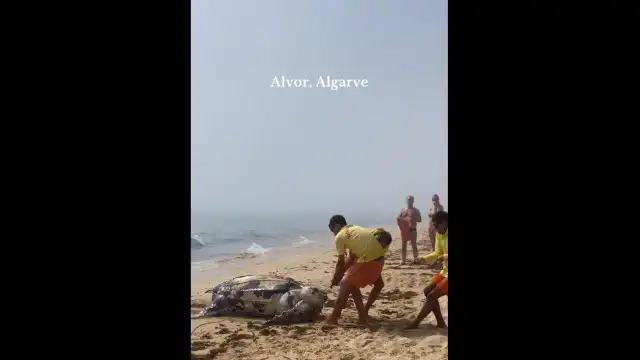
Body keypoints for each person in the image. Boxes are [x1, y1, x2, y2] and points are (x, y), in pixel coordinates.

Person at [325, 215, 392, 326]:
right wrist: (339, 275)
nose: (333, 233)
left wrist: (336, 278)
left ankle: (333, 318)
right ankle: (362, 316)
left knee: (345, 284)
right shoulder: (355, 229)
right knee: (352, 284)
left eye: (332, 230)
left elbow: (340, 263)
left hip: (368, 261)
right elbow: (351, 258)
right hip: (379, 261)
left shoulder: (340, 237)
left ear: (337, 225)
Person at [407, 210, 448, 329]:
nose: (434, 228)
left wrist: (444, 257)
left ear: (444, 222)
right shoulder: (440, 234)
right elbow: (437, 252)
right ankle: (441, 322)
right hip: (445, 272)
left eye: (436, 225)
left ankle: (416, 322)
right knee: (427, 291)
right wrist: (423, 259)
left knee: (432, 296)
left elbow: (442, 255)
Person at [397, 195, 422, 265]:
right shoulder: (403, 210)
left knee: (414, 245)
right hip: (405, 230)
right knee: (403, 246)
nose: (409, 201)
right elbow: (398, 218)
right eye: (408, 200)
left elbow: (420, 219)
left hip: (413, 229)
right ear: (406, 201)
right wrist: (402, 222)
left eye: (411, 200)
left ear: (413, 201)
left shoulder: (416, 210)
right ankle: (403, 260)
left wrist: (413, 218)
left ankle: (416, 259)